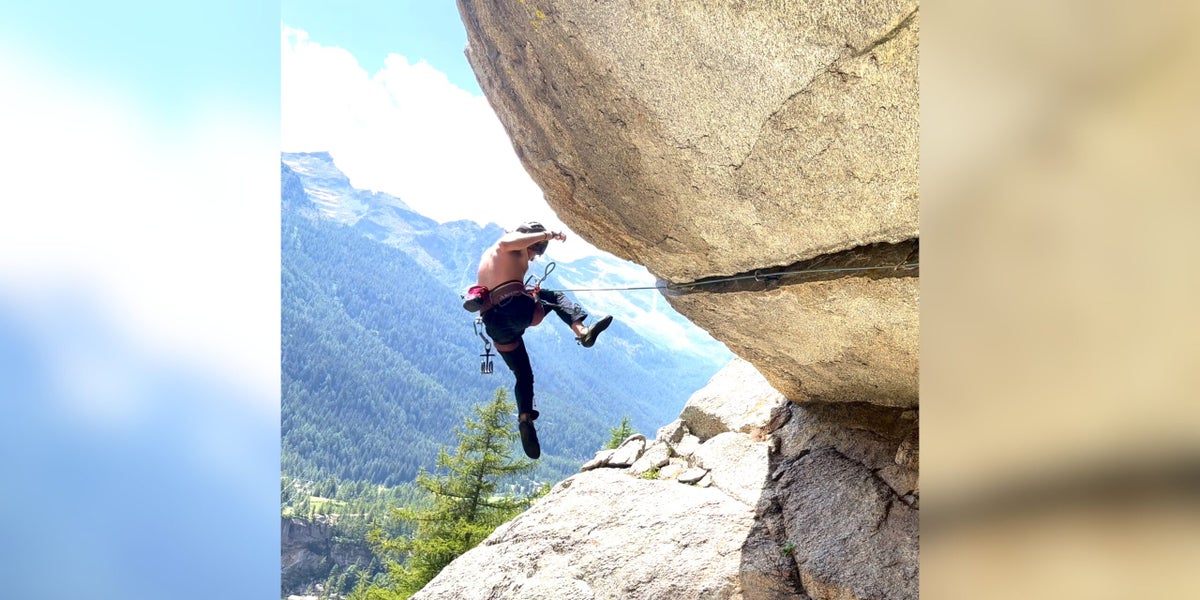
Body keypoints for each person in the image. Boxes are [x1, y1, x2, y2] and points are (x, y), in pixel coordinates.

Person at [474, 221, 614, 459]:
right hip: (515, 309)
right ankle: (582, 332)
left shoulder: (490, 256)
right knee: (556, 296)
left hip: (494, 324)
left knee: (524, 375)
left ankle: (525, 417)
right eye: (537, 249)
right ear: (530, 240)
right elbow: (512, 241)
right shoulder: (508, 245)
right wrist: (552, 234)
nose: (535, 257)